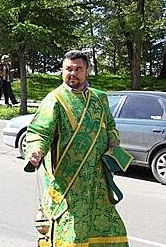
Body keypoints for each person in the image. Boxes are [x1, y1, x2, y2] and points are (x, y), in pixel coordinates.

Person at [25, 50, 130, 247]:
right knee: (71, 232)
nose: (73, 73)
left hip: (98, 180)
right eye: (68, 69)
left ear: (87, 71)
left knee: (109, 229)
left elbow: (110, 127)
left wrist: (113, 142)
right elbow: (40, 132)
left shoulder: (100, 98)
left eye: (78, 69)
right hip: (68, 181)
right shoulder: (54, 100)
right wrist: (36, 150)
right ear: (62, 71)